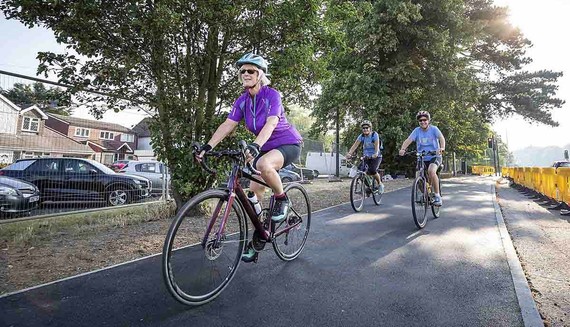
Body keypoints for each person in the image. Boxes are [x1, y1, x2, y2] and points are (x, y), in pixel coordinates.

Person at [196, 53, 303, 262]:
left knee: (264, 164)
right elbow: (228, 125)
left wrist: (255, 145)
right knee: (253, 197)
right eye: (243, 71)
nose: (246, 73)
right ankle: (260, 234)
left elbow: (272, 123)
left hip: (287, 143)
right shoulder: (243, 101)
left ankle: (282, 198)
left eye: (251, 71)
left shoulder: (272, 95)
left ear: (260, 75)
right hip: (263, 146)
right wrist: (207, 147)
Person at [398, 111, 446, 206]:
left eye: (425, 120)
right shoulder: (416, 131)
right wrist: (403, 149)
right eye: (420, 120)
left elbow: (441, 138)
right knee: (418, 177)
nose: (423, 122)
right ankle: (427, 195)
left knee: (431, 171)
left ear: (428, 120)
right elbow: (408, 140)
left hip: (434, 156)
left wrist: (442, 148)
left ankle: (437, 196)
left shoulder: (434, 129)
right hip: (422, 157)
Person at [346, 120, 385, 193]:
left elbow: (377, 145)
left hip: (376, 156)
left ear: (370, 128)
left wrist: (376, 153)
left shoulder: (374, 134)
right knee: (361, 171)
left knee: (372, 170)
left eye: (367, 127)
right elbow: (355, 145)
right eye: (363, 128)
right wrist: (349, 153)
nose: (365, 129)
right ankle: (370, 186)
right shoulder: (361, 136)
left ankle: (380, 184)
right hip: (366, 156)